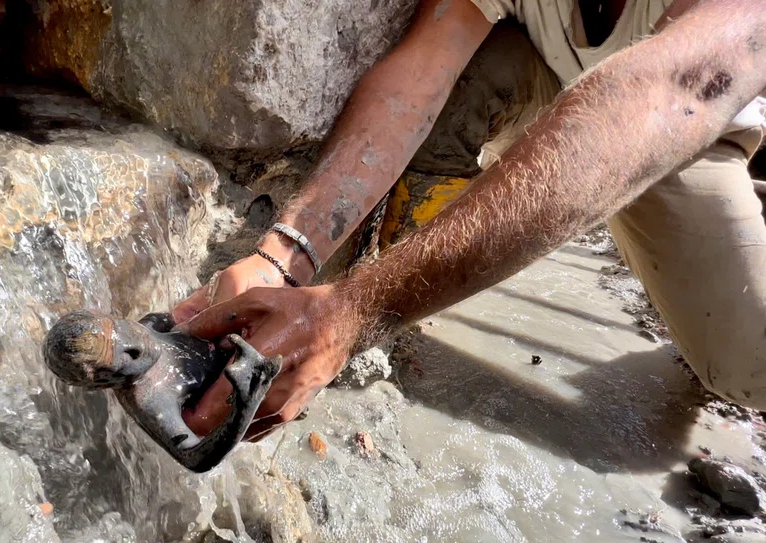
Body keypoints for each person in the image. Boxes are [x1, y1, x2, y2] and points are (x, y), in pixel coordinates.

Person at [171, 0, 766, 442]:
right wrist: (284, 255)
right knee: (479, 65)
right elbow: (422, 70)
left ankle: (362, 310)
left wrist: (355, 311)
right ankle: (390, 299)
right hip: (551, 72)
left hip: (685, 131)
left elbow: (654, 101)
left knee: (744, 369)